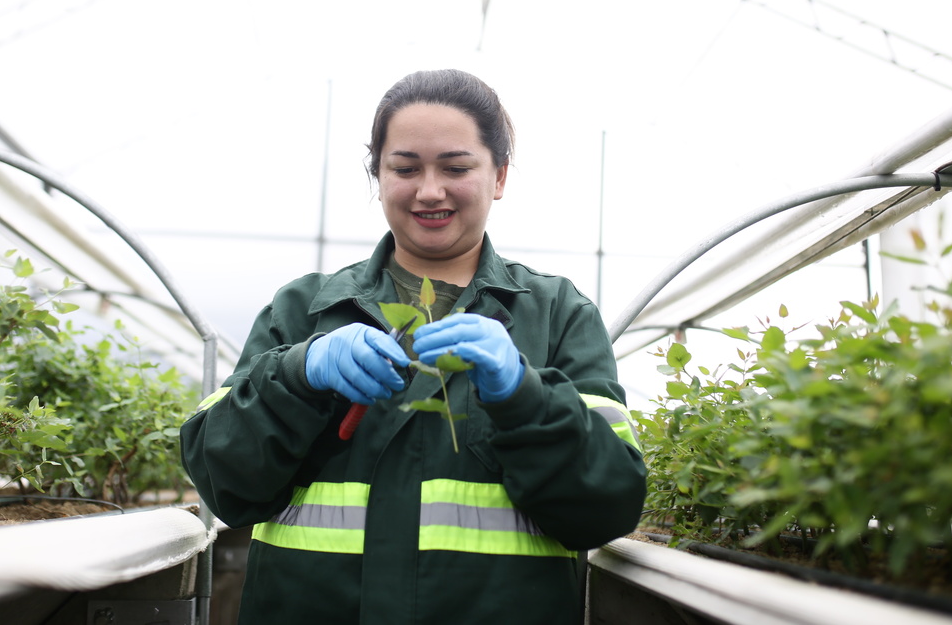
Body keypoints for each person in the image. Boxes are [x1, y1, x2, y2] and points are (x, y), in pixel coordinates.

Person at [180, 69, 647, 625]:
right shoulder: (304, 310)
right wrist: (298, 374)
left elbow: (608, 505)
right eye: (404, 168)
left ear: (498, 176)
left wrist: (526, 397)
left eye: (455, 167)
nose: (429, 190)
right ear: (378, 177)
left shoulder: (557, 315)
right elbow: (222, 480)